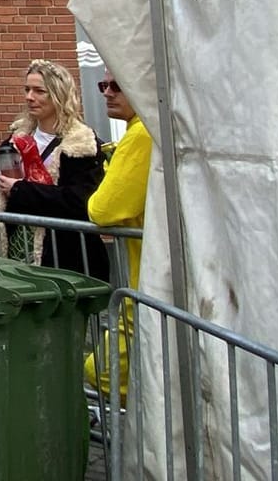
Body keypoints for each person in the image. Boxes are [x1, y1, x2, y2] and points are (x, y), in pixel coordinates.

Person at [0, 59, 109, 279]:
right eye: (27, 89)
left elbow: (79, 200)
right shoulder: (15, 141)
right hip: (16, 250)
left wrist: (20, 190)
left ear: (58, 95)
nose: (29, 97)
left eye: (39, 91)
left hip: (65, 256)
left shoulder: (82, 144)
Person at [87, 71, 150, 399]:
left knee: (104, 369)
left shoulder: (140, 135)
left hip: (147, 275)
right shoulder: (138, 132)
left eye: (117, 86)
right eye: (102, 85)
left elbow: (103, 209)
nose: (107, 93)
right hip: (142, 270)